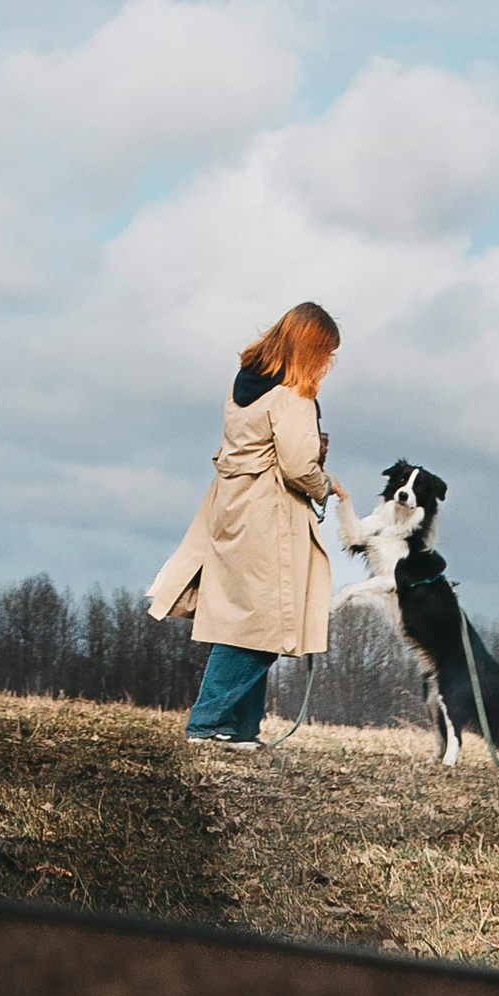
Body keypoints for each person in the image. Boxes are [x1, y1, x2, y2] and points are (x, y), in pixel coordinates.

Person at [146, 300, 353, 747]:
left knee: (248, 621)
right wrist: (324, 485)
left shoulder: (244, 383)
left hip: (232, 510)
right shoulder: (293, 394)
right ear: (311, 349)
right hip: (269, 517)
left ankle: (240, 729)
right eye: (326, 353)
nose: (328, 363)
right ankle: (206, 724)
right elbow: (297, 465)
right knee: (262, 624)